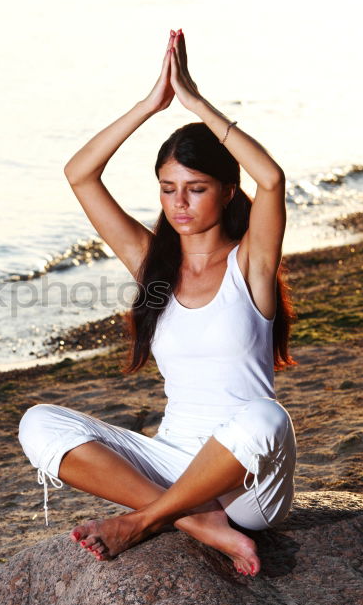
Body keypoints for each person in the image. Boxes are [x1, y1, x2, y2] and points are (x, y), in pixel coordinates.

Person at [18, 28, 296, 577]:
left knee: (267, 416)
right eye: (168, 188)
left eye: (195, 187)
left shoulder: (250, 265)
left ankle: (141, 522)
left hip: (245, 481)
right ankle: (193, 519)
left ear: (226, 191)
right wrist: (151, 105)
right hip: (170, 462)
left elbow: (271, 178)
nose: (180, 202)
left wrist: (192, 100)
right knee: (38, 423)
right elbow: (80, 174)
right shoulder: (155, 269)